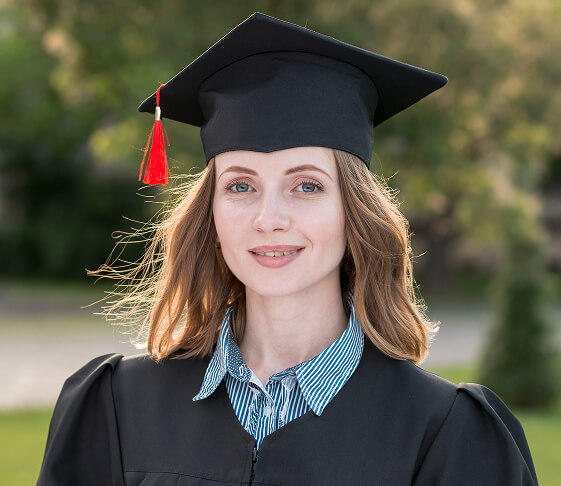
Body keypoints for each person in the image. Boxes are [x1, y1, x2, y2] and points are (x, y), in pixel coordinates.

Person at [37, 12, 538, 486]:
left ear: (354, 213)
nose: (269, 218)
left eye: (306, 186)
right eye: (240, 186)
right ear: (211, 217)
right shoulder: (118, 409)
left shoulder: (447, 434)